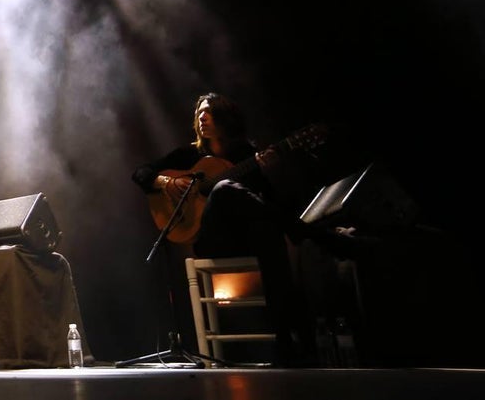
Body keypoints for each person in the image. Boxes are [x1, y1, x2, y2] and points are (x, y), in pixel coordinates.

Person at [131, 92, 365, 367]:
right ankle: (310, 233)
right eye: (199, 114)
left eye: (209, 112)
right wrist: (164, 182)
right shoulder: (189, 155)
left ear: (226, 119)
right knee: (225, 188)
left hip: (246, 237)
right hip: (210, 238)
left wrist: (270, 174)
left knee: (266, 232)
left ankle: (286, 342)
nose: (202, 117)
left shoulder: (247, 155)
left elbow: (271, 204)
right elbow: (141, 174)